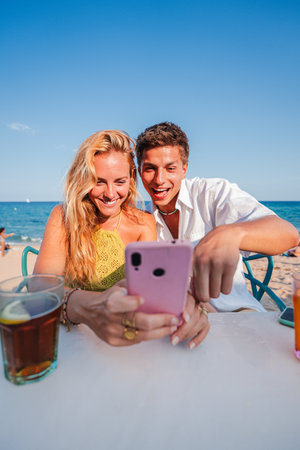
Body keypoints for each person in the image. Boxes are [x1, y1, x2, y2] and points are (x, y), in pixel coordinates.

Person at [34, 130, 209, 348]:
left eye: (120, 181)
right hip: (70, 338)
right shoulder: (64, 217)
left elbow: (152, 290)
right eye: (98, 181)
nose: (110, 193)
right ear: (83, 179)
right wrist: (92, 307)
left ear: (131, 179)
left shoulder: (143, 223)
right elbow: (39, 285)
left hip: (125, 341)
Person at [135, 122, 299, 318]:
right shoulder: (141, 221)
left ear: (184, 169)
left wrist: (229, 234)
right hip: (179, 321)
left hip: (237, 315)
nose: (159, 179)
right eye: (150, 169)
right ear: (139, 171)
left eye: (170, 168)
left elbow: (288, 234)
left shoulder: (212, 193)